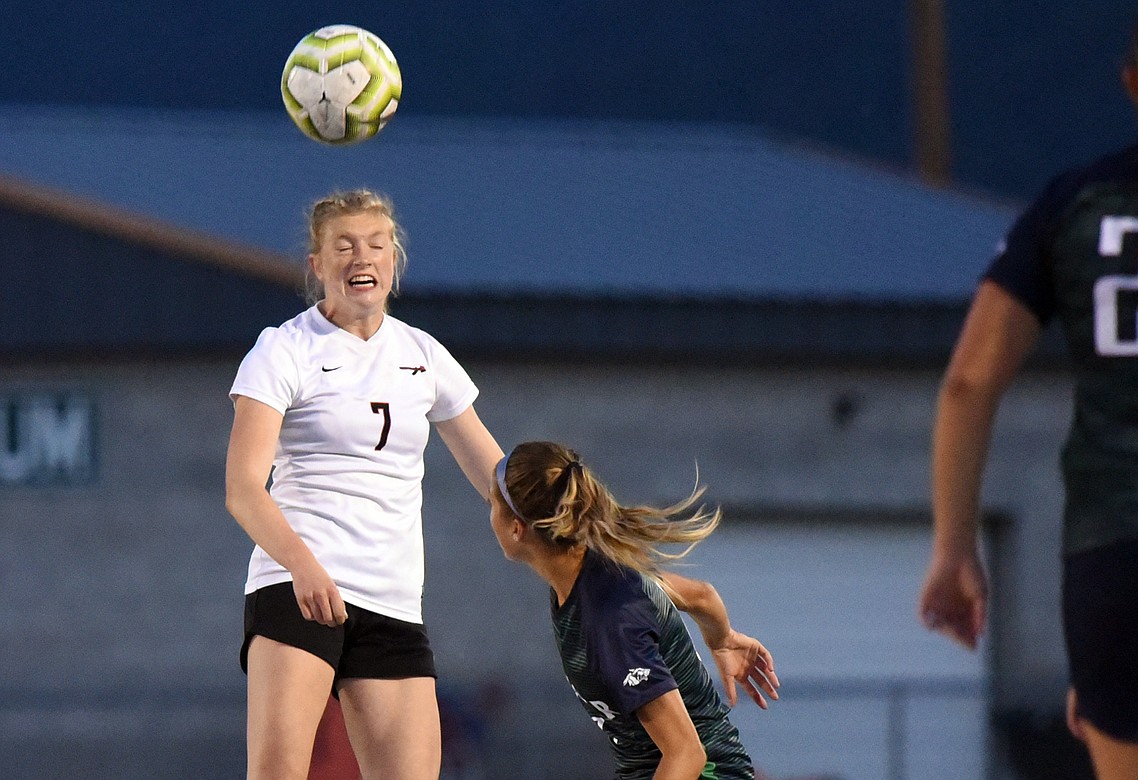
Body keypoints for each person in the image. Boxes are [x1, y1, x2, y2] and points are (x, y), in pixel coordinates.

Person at [918, 2, 1138, 777]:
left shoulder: (1076, 204)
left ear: (1134, 83)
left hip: (1123, 549)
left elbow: (970, 379)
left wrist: (956, 548)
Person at [224, 188, 503, 780]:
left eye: (376, 245)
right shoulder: (284, 349)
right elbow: (243, 488)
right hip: (299, 586)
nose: (362, 258)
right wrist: (303, 565)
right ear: (317, 265)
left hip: (393, 600)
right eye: (344, 247)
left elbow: (495, 476)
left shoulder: (423, 354)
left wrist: (568, 526)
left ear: (394, 261)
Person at [490, 440, 780, 780]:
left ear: (516, 528)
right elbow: (702, 596)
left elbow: (686, 754)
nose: (489, 512)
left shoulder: (608, 618)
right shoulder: (598, 568)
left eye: (491, 505)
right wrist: (723, 639)